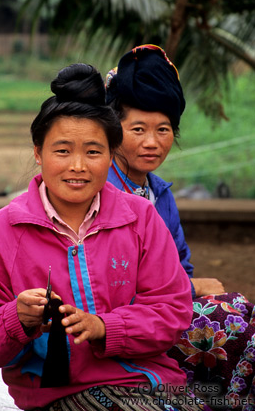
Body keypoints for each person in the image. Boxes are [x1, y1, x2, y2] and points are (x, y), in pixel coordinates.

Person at [0, 63, 209, 411]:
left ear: (111, 153)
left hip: (152, 380)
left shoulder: (141, 217)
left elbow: (173, 310)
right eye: (62, 151)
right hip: (58, 394)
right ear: (37, 152)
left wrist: (105, 326)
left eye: (93, 151)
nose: (78, 165)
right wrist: (18, 318)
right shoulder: (3, 231)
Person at [105, 44, 255, 411]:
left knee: (242, 311)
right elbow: (109, 286)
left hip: (168, 312)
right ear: (112, 128)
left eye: (164, 129)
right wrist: (192, 287)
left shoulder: (160, 194)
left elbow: (179, 268)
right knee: (233, 321)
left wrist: (188, 287)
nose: (152, 142)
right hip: (122, 327)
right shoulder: (102, 191)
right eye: (137, 128)